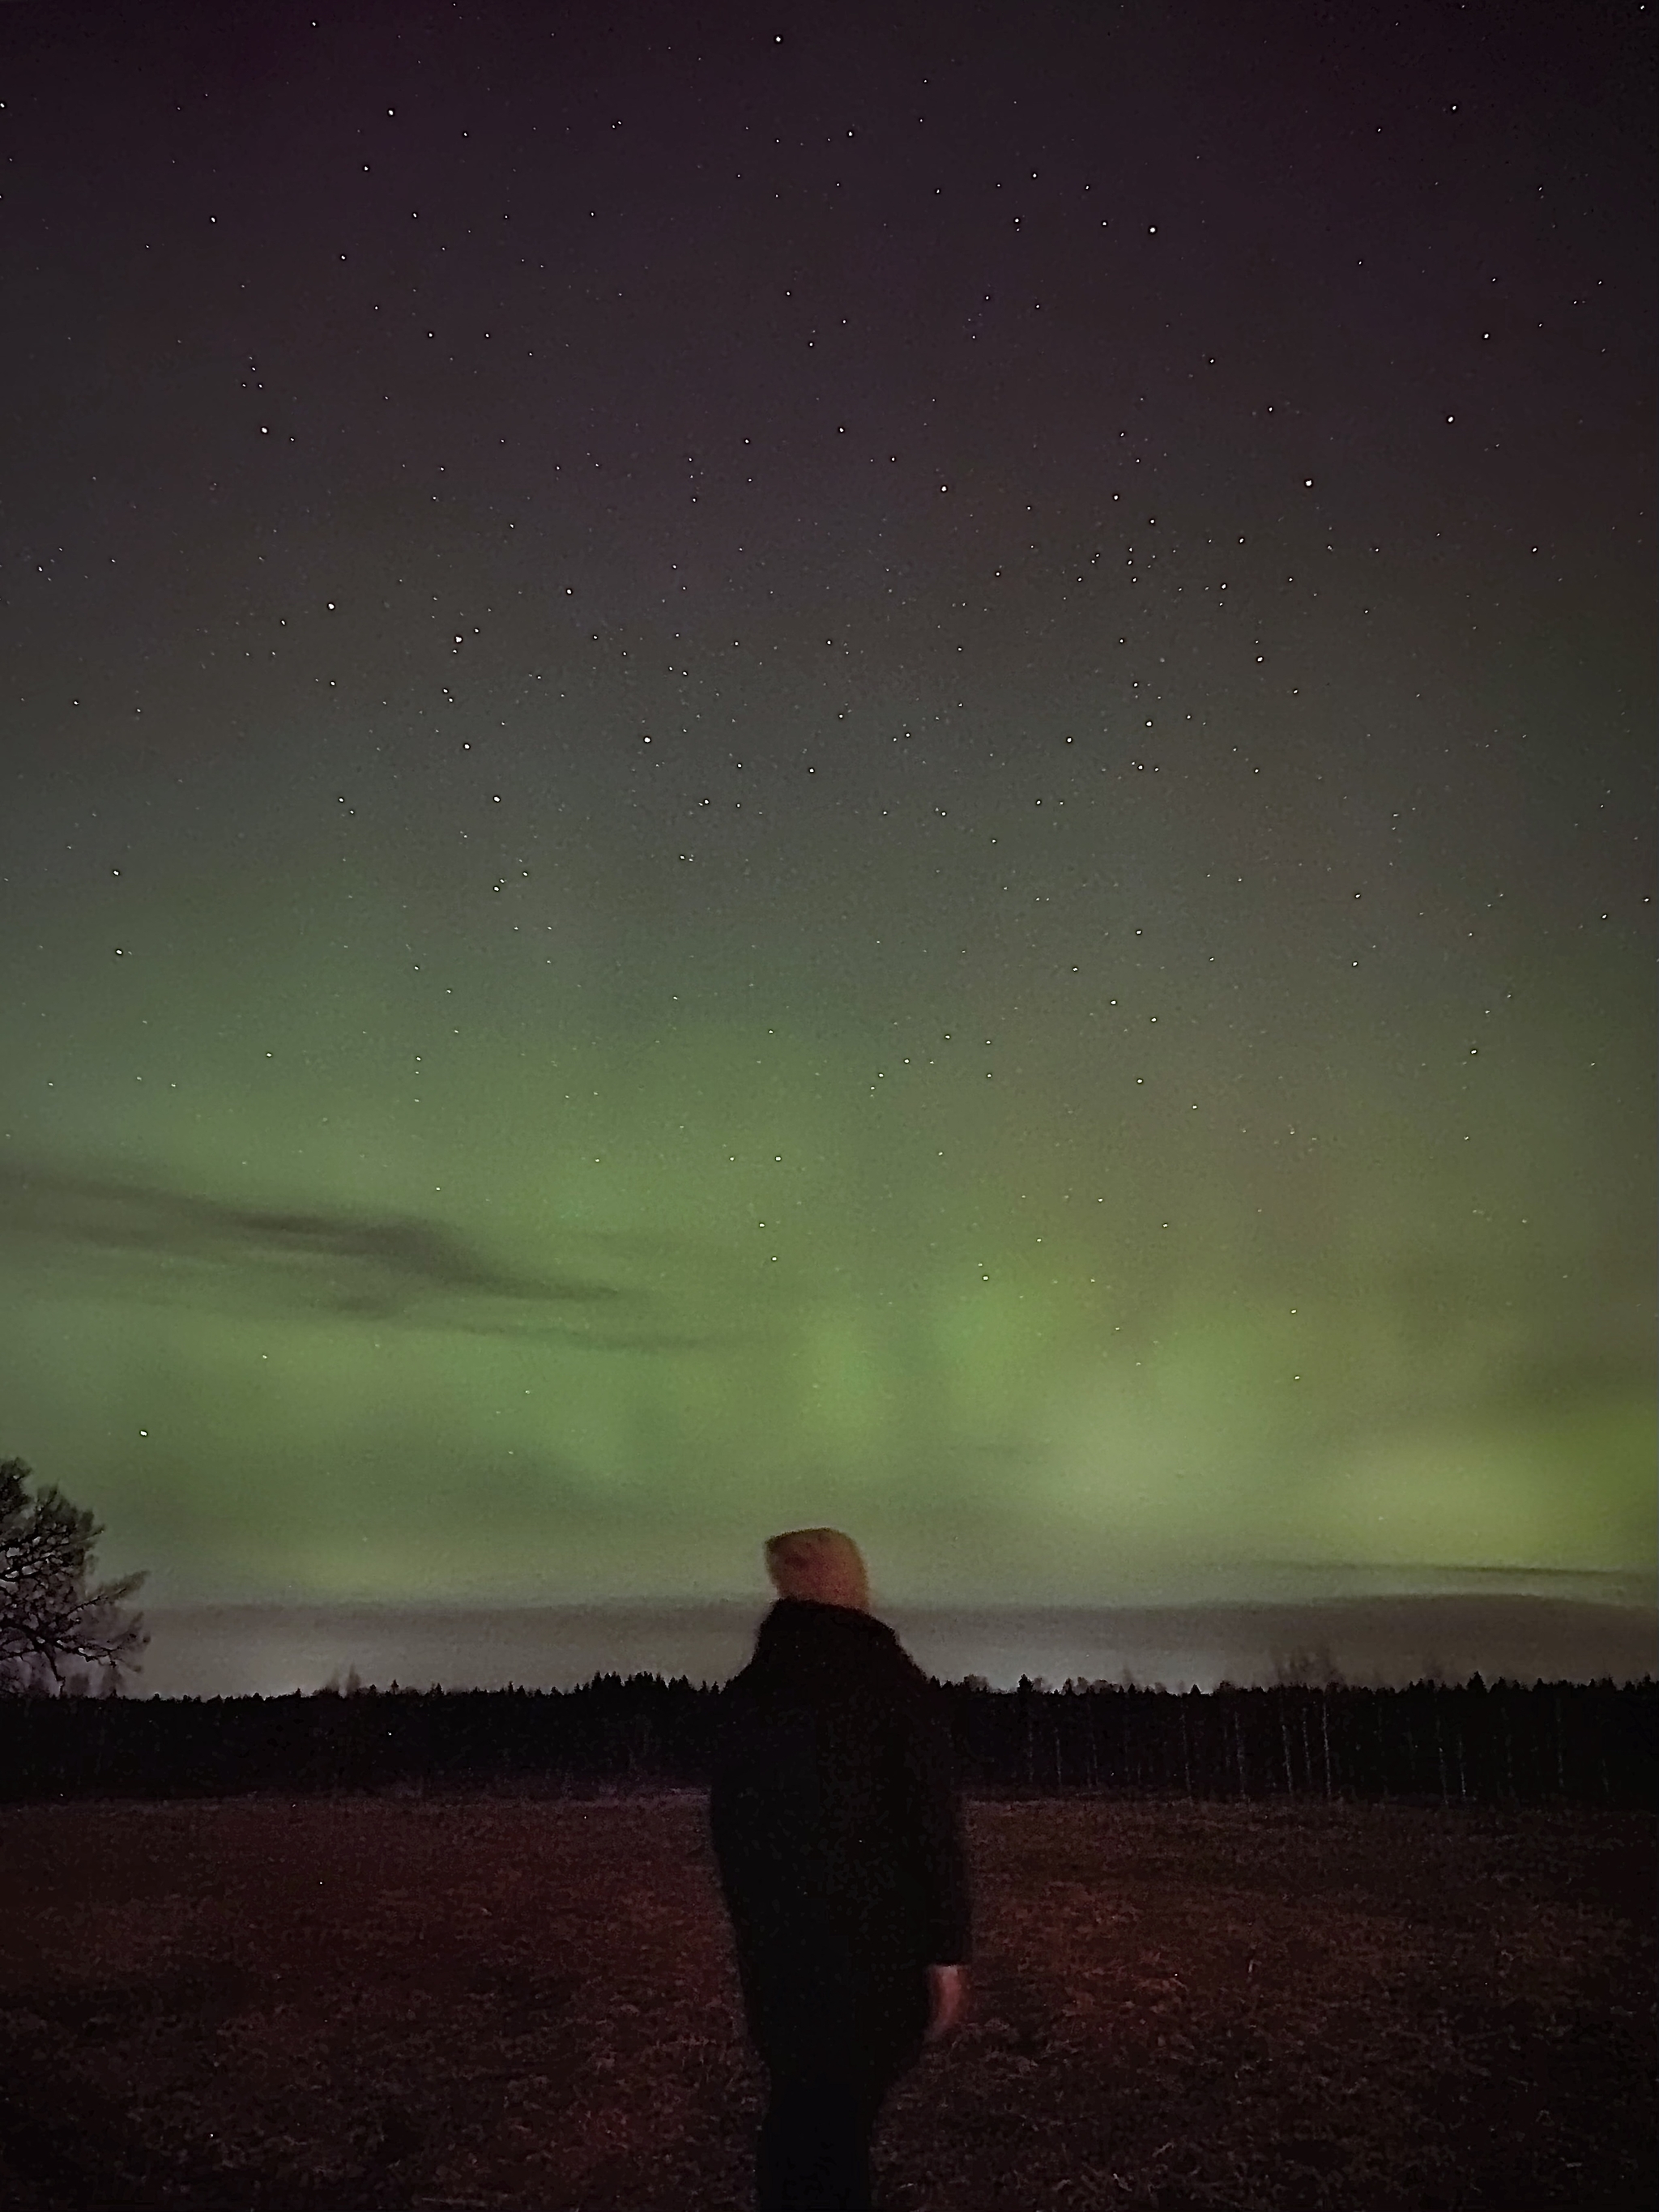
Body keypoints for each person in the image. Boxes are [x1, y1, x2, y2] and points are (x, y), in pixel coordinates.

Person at [708, 1528, 973, 2212]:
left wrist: (757, 1924)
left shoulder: (750, 1694)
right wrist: (945, 1956)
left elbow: (731, 1830)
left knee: (803, 2110)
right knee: (836, 2127)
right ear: (850, 1585)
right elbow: (932, 1828)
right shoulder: (893, 1687)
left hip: (777, 1957)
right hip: (872, 1963)